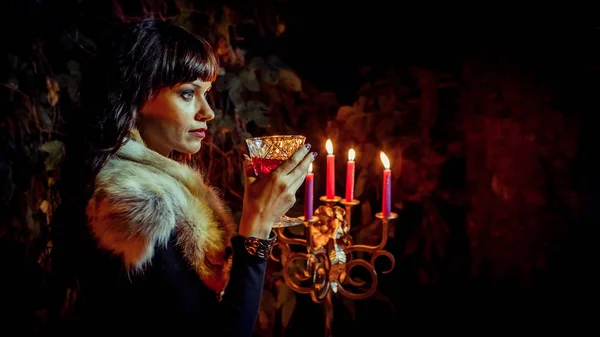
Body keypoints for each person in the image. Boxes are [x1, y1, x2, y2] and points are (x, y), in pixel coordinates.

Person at [49, 17, 316, 336]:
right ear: (138, 96)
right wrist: (257, 226)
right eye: (188, 94)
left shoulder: (142, 183)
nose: (208, 113)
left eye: (206, 93)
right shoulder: (135, 203)